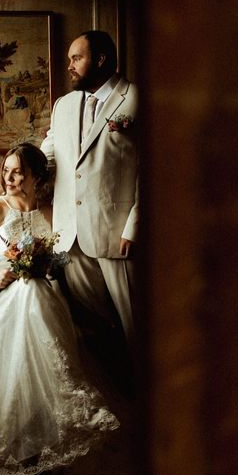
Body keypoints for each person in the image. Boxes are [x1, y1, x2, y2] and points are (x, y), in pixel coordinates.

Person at [0, 141, 120, 475]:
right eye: (6, 171)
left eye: (18, 172)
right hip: (0, 295)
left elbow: (55, 263)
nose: (9, 178)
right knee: (28, 293)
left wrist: (42, 267)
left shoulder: (49, 213)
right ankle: (15, 444)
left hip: (43, 296)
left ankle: (57, 432)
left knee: (36, 291)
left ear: (37, 177)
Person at [40, 30, 139, 347]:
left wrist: (134, 227)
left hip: (118, 235)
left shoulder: (137, 99)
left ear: (100, 60)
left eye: (76, 58)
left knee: (135, 328)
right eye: (69, 59)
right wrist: (21, 174)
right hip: (70, 237)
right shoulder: (63, 106)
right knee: (95, 331)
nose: (69, 65)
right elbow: (50, 155)